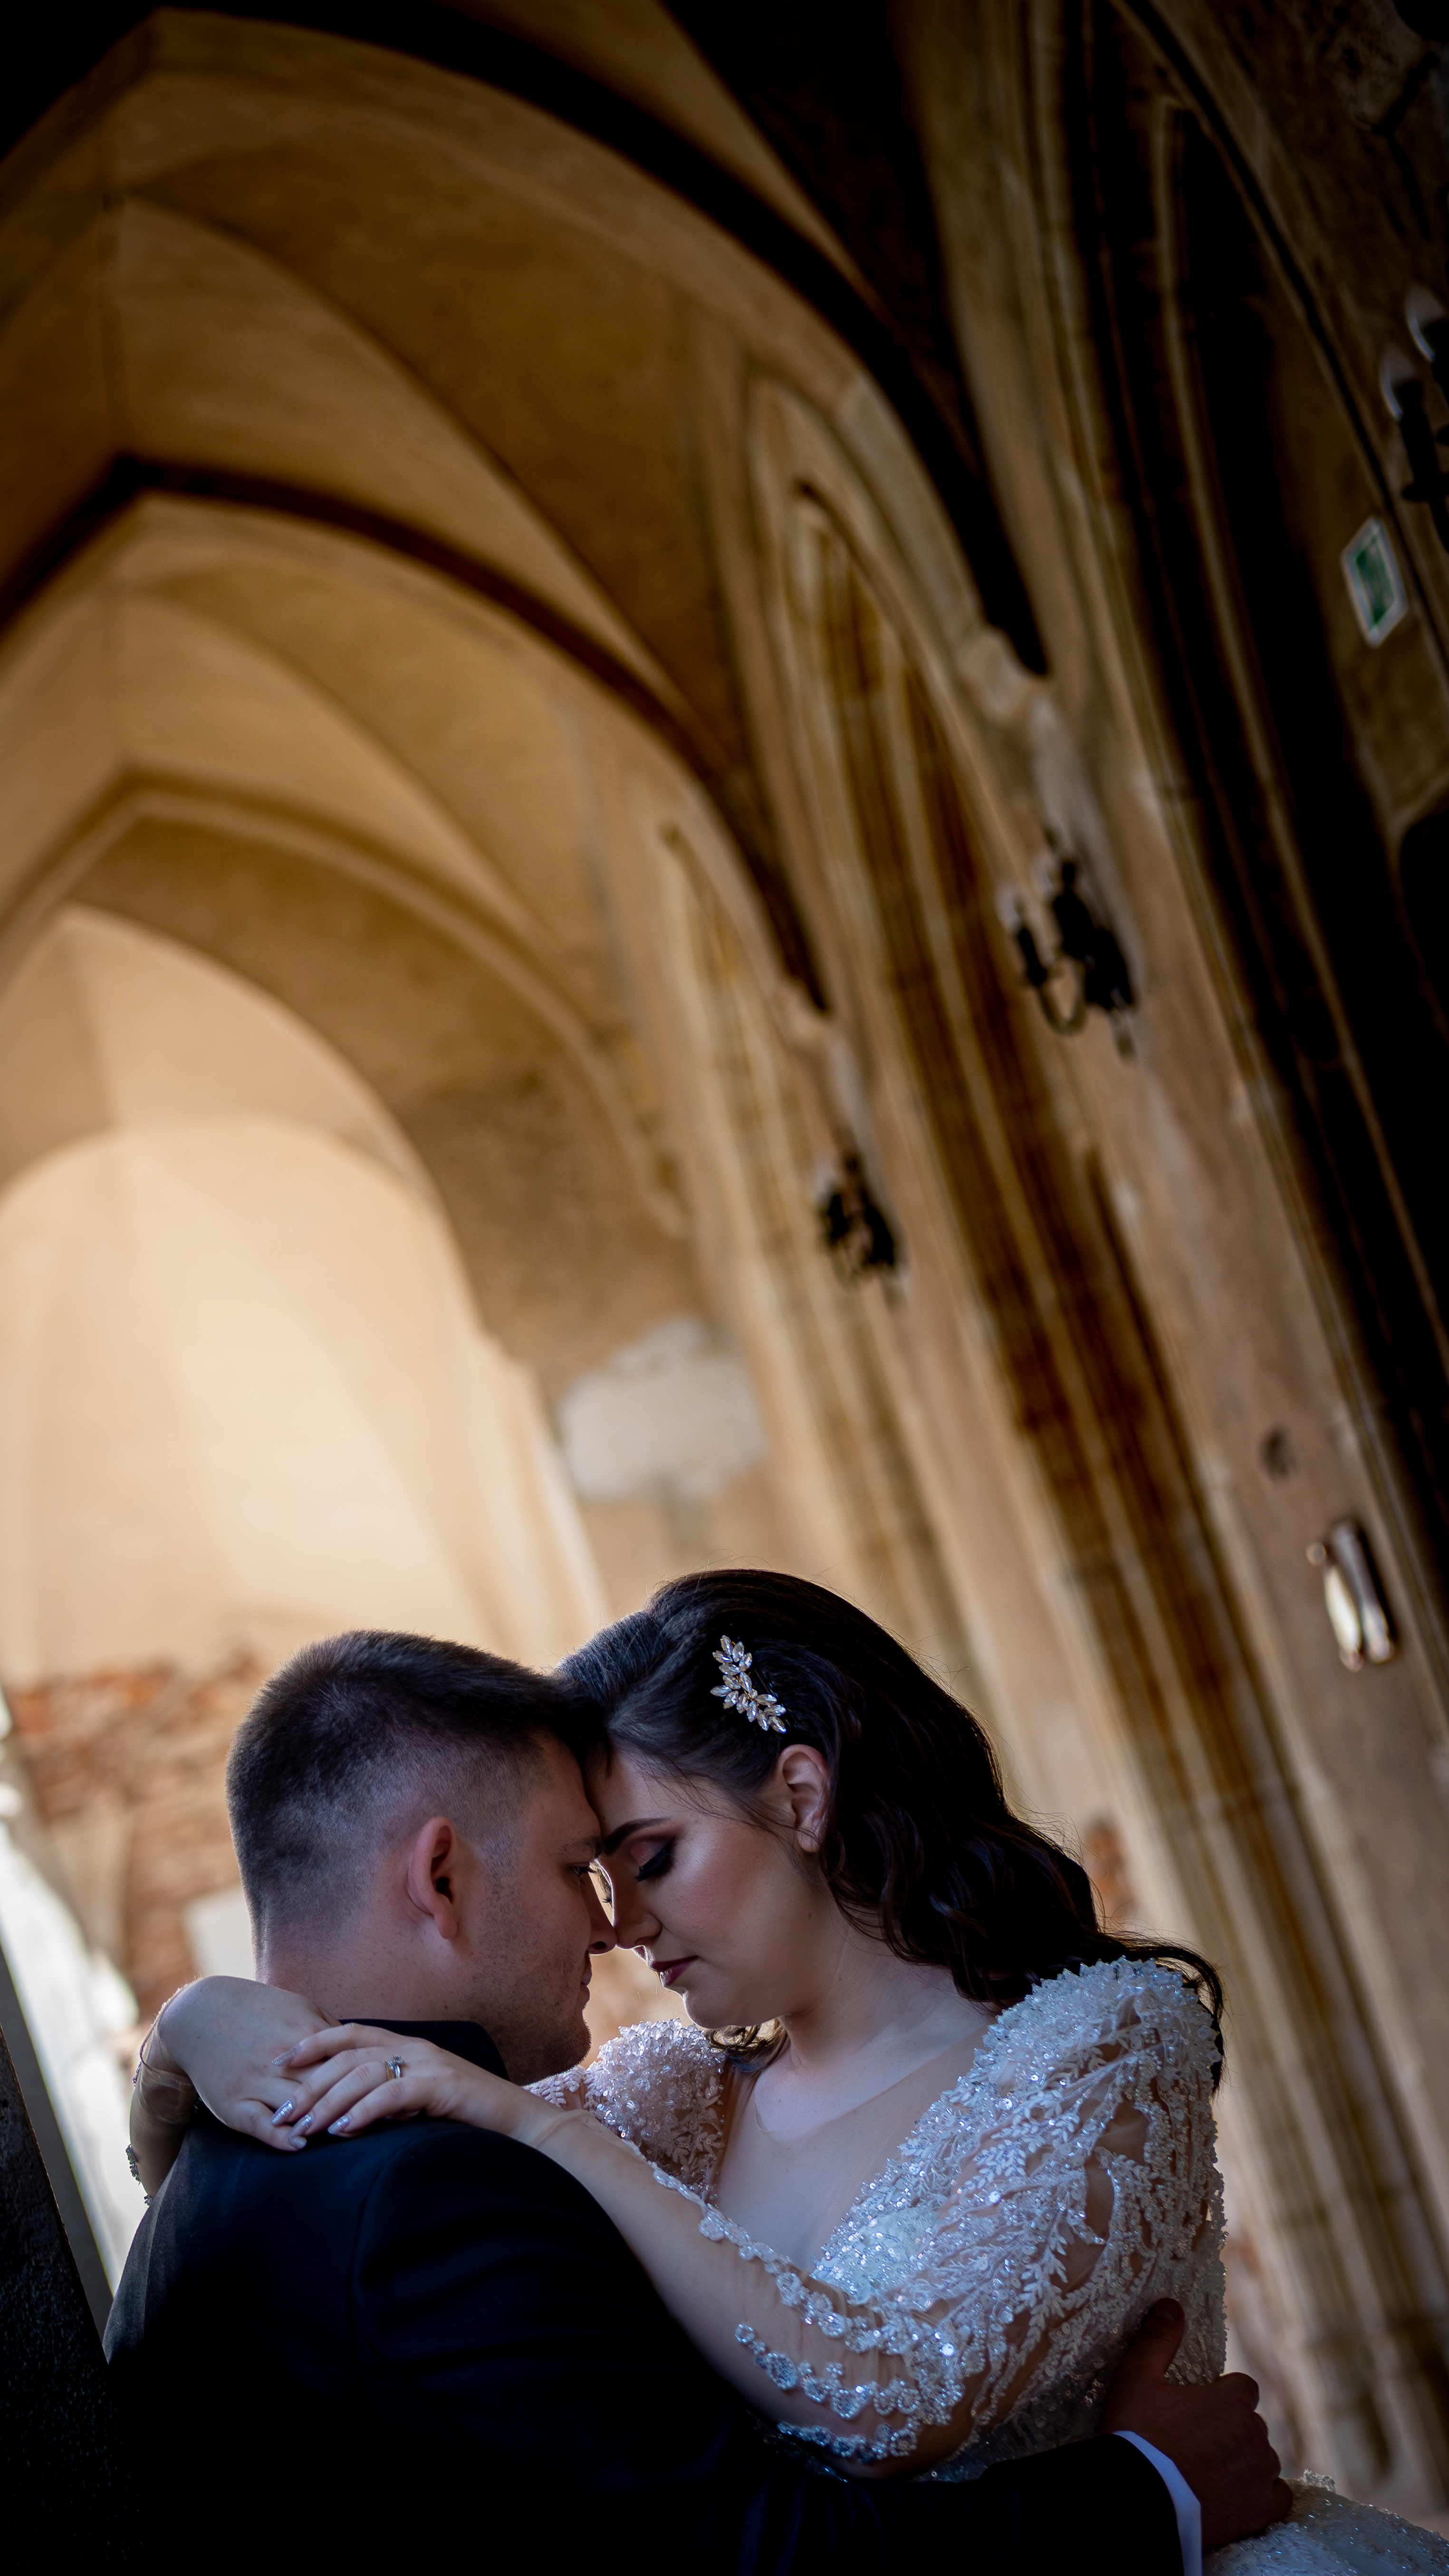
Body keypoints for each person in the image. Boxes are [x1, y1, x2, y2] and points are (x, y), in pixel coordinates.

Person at [115, 1621, 1285, 2571]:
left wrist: (186, 2030)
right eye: (585, 1869)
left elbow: (890, 2403)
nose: (617, 1925)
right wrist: (1149, 2491)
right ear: (440, 1877)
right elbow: (762, 2550)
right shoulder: (611, 2115)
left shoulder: (1090, 2043)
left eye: (650, 1857)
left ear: (802, 1796)